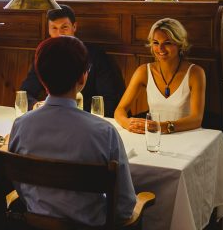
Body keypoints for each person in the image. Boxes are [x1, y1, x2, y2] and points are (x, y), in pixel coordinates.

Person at [9, 36, 137, 226]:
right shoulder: (104, 132)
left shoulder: (21, 125)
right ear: (83, 77)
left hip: (35, 224)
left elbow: (19, 186)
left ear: (41, 78)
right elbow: (125, 207)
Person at [19, 4, 125, 116]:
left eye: (64, 27)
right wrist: (36, 106)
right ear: (48, 30)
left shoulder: (95, 56)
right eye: (54, 28)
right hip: (53, 116)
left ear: (74, 27)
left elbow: (109, 100)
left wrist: (74, 113)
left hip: (87, 118)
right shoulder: (44, 56)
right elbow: (25, 94)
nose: (60, 34)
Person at [114, 18, 206, 135]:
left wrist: (163, 127)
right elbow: (120, 110)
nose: (160, 49)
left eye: (167, 43)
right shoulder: (143, 71)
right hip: (155, 138)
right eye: (156, 43)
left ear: (180, 44)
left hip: (188, 137)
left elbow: (196, 119)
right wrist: (127, 123)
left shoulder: (195, 73)